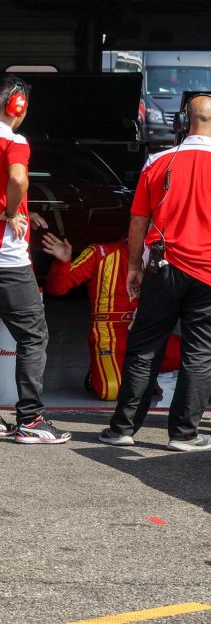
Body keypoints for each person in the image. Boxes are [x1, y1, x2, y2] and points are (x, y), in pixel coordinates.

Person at [100, 93, 211, 451]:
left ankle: (122, 428)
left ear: (183, 122)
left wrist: (134, 266)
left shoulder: (158, 161)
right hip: (208, 273)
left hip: (163, 267)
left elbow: (138, 220)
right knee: (200, 352)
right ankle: (184, 434)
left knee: (145, 345)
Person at [0, 74, 71, 444]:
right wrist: (13, 210)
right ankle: (30, 419)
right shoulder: (14, 142)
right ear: (18, 107)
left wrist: (21, 208)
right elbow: (17, 179)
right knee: (34, 336)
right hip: (6, 260)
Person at [41, 232, 181, 400]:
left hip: (147, 331)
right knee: (111, 390)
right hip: (109, 333)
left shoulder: (163, 257)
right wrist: (62, 262)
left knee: (194, 353)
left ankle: (144, 375)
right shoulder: (99, 252)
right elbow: (57, 288)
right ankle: (101, 374)